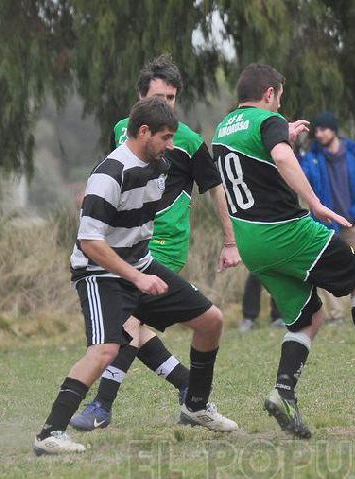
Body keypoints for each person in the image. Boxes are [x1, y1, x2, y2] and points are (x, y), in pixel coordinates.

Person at [211, 63, 355, 439]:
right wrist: (316, 203)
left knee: (308, 318)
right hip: (286, 230)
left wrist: (279, 133)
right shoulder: (267, 120)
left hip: (252, 244)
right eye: (278, 99)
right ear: (270, 94)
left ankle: (284, 393)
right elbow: (283, 158)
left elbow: (248, 166)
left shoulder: (224, 130)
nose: (278, 107)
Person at [33, 98, 237, 456]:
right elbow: (90, 242)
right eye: (166, 137)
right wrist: (137, 278)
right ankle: (50, 433)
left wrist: (144, 270)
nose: (172, 146)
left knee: (211, 321)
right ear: (144, 132)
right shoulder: (109, 174)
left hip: (139, 265)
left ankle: (196, 404)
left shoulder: (159, 167)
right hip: (99, 273)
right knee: (105, 349)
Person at [69, 54, 242, 433]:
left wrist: (230, 242)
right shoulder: (125, 130)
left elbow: (216, 190)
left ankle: (102, 405)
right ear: (141, 100)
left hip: (162, 242)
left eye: (172, 98)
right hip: (125, 242)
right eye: (160, 97)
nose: (167, 105)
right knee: (135, 325)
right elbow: (115, 169)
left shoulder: (190, 141)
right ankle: (188, 390)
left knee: (129, 323)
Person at [299, 111, 355, 322]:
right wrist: (293, 146)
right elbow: (298, 174)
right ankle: (336, 315)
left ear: (333, 130)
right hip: (326, 224)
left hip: (352, 222)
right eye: (316, 130)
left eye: (323, 129)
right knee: (325, 270)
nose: (318, 134)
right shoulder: (312, 158)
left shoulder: (354, 154)